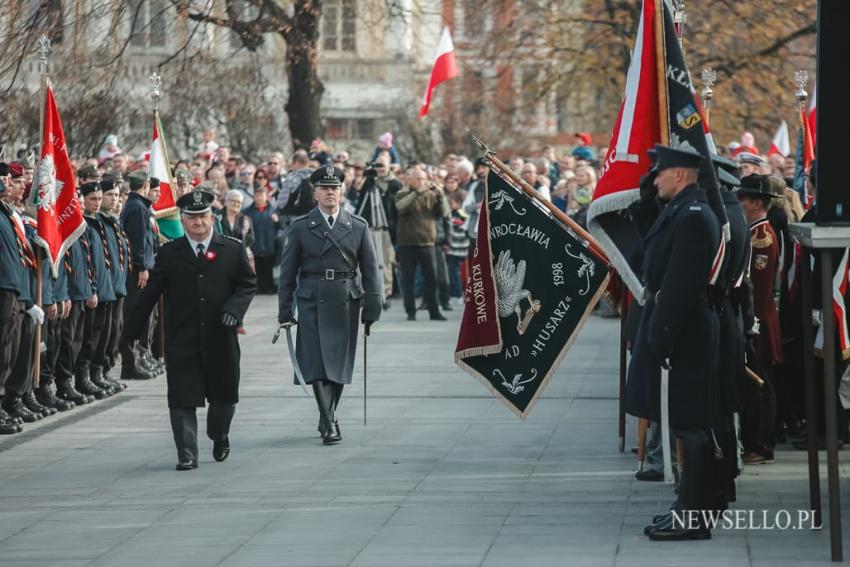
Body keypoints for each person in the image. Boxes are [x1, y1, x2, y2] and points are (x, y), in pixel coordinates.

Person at [625, 144, 721, 541]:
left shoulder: (695, 216)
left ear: (679, 175)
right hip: (682, 328)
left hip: (686, 332)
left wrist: (659, 337)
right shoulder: (680, 211)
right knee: (685, 423)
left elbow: (679, 286)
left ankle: (694, 517)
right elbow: (648, 250)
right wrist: (646, 198)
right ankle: (689, 506)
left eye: (659, 173)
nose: (654, 179)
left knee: (690, 424)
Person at [123, 189, 257, 471]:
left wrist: (234, 309)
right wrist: (130, 332)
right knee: (182, 397)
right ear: (182, 220)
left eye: (203, 216)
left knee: (224, 397)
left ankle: (219, 434)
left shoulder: (231, 249)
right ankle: (186, 453)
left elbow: (248, 284)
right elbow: (150, 294)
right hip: (182, 337)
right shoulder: (170, 253)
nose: (198, 222)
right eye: (192, 217)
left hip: (221, 336)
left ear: (212, 217)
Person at [277, 166, 382, 445]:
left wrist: (374, 304)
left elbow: (372, 269)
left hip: (345, 299)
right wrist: (284, 310)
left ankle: (326, 416)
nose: (330, 193)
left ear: (342, 192)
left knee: (338, 364)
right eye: (324, 188)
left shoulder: (357, 226)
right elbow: (287, 273)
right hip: (312, 298)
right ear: (315, 194)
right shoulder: (300, 226)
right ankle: (331, 421)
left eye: (334, 188)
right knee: (316, 363)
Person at [736, 174, 782, 465]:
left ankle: (762, 444)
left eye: (742, 198)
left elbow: (759, 286)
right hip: (758, 318)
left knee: (760, 384)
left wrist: (750, 321)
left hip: (759, 320)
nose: (738, 203)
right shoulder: (754, 231)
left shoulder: (761, 236)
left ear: (755, 202)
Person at [395, 168, 449, 321]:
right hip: (407, 243)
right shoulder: (402, 194)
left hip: (427, 243)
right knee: (408, 279)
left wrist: (442, 196)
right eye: (417, 178)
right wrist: (417, 192)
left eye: (423, 178)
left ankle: (434, 311)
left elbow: (444, 213)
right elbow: (401, 207)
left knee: (432, 279)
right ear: (409, 180)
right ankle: (410, 311)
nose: (421, 182)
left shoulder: (431, 196)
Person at [119, 170, 156, 381]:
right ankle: (130, 363)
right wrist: (142, 266)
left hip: (137, 268)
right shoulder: (138, 208)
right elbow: (138, 240)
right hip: (137, 271)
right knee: (135, 314)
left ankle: (133, 361)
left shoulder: (135, 205)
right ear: (146, 185)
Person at [244, 186, 282, 294]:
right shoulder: (247, 212)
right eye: (257, 195)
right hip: (254, 245)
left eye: (261, 195)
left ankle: (269, 287)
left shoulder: (273, 212)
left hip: (269, 244)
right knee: (257, 268)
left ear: (266, 197)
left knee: (268, 268)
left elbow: (282, 226)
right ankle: (258, 287)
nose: (259, 198)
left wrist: (278, 221)